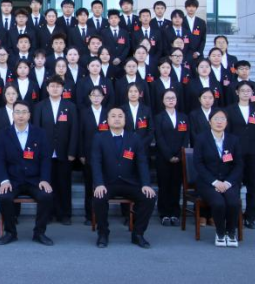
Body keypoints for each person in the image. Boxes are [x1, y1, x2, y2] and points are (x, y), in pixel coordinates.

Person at [92, 107, 157, 249]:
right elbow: (96, 162)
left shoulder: (134, 138)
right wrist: (99, 183)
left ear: (125, 120)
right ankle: (103, 233)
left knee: (149, 197)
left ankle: (138, 234)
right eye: (113, 116)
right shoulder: (99, 138)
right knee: (99, 198)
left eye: (120, 116)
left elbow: (141, 162)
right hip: (108, 183)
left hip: (129, 182)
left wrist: (146, 184)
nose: (117, 119)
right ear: (107, 120)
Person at [0, 101, 55, 247]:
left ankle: (39, 233)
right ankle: (10, 232)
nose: (20, 115)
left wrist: (44, 179)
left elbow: (45, 159)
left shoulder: (40, 133)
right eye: (17, 112)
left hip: (34, 180)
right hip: (13, 180)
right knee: (4, 197)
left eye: (24, 112)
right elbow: (0, 160)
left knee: (46, 195)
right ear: (12, 115)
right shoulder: (4, 134)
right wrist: (4, 181)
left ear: (29, 115)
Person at [193, 109, 244, 248]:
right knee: (218, 203)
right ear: (210, 122)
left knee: (233, 202)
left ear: (226, 123)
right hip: (208, 182)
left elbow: (239, 164)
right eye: (216, 119)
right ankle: (220, 232)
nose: (219, 122)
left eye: (222, 119)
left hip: (228, 182)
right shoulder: (201, 139)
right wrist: (214, 182)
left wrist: (227, 183)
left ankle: (231, 232)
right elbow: (198, 164)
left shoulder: (233, 140)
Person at [33, 76, 79, 226]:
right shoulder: (40, 106)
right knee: (46, 184)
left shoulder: (70, 106)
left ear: (62, 89)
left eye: (58, 86)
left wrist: (72, 152)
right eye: (52, 86)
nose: (55, 88)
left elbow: (74, 130)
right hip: (44, 153)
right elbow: (36, 131)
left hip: (64, 152)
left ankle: (64, 214)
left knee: (64, 184)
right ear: (47, 89)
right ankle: (47, 214)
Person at [227, 81, 255, 230]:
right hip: (235, 153)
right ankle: (235, 216)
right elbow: (227, 133)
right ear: (237, 92)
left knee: (253, 186)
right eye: (242, 90)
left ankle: (250, 217)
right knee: (234, 185)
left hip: (253, 153)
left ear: (252, 93)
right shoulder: (229, 110)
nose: (245, 93)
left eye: (248, 91)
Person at [154, 89, 189, 227]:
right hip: (163, 157)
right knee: (164, 186)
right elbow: (159, 138)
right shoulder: (158, 117)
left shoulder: (183, 117)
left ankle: (175, 213)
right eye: (167, 98)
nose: (170, 100)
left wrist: (179, 155)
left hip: (179, 157)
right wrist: (169, 155)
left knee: (176, 186)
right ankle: (164, 213)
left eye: (173, 98)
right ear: (163, 101)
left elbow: (186, 137)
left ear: (176, 100)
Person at [79, 86, 110, 226]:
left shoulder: (108, 113)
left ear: (103, 97)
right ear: (89, 97)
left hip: (106, 155)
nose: (96, 98)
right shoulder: (83, 113)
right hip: (88, 154)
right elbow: (79, 134)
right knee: (89, 186)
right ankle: (89, 215)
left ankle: (102, 215)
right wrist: (81, 154)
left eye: (99, 95)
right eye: (93, 95)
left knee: (104, 185)